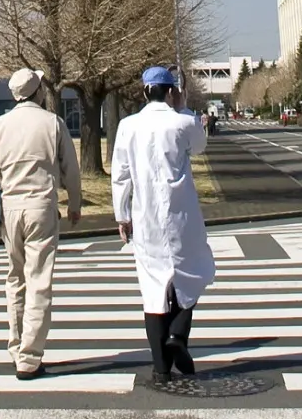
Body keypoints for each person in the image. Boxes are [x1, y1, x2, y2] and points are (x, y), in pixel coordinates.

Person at [111, 64, 216, 386]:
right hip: (181, 214)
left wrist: (122, 215)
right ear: (171, 91)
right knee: (194, 273)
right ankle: (178, 334)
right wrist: (183, 107)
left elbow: (121, 175)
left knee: (153, 287)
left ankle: (161, 368)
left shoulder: (128, 126)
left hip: (146, 218)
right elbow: (200, 145)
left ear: (145, 92)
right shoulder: (182, 122)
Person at [0, 67, 82, 380]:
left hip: (10, 208)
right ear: (38, 92)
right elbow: (70, 168)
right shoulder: (53, 123)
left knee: (16, 279)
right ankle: (30, 355)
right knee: (39, 281)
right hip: (41, 205)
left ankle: (16, 345)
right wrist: (74, 203)